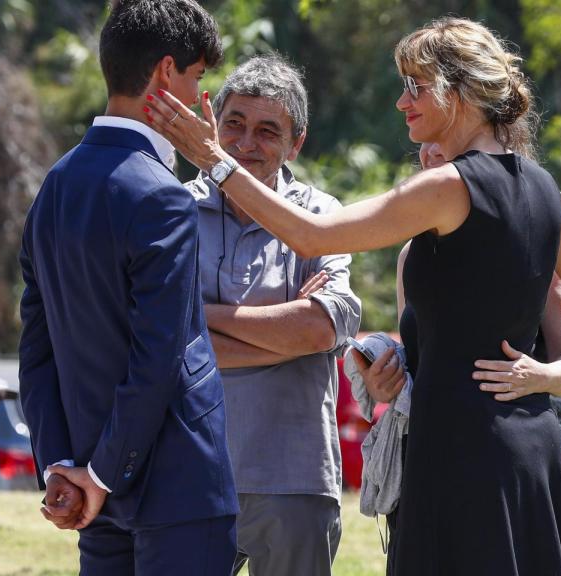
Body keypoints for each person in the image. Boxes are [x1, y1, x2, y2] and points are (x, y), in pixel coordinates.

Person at [147, 15, 561, 575]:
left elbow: (312, 234)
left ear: (460, 91)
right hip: (533, 451)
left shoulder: (448, 186)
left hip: (460, 450)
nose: (402, 102)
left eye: (416, 86)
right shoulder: (544, 188)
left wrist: (215, 162)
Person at [17, 1, 238, 573]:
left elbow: (36, 350)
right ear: (166, 73)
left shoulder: (53, 188)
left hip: (95, 489)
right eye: (196, 78)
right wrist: (101, 473)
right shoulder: (162, 196)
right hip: (176, 487)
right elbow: (158, 355)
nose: (197, 99)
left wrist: (64, 465)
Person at [356, 142, 561, 574]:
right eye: (422, 148)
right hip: (435, 454)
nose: (429, 153)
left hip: (517, 457)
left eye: (442, 145)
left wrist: (541, 375)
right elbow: (422, 362)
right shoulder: (411, 256)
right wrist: (384, 383)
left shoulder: (528, 235)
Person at [186, 55, 361, 575]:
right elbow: (153, 339)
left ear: (296, 143)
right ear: (213, 124)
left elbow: (319, 328)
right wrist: (280, 331)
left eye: (268, 131)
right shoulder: (172, 209)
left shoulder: (321, 216)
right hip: (189, 471)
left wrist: (199, 313)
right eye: (234, 124)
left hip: (295, 472)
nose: (244, 143)